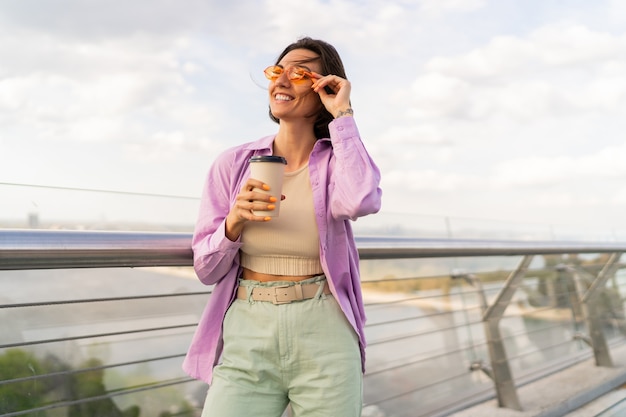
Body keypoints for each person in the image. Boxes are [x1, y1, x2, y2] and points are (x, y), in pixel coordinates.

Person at [183, 37, 382, 417]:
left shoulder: (336, 162)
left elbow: (361, 200)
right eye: (277, 71)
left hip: (324, 327)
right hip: (248, 327)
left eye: (300, 72)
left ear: (326, 86)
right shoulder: (234, 164)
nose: (282, 81)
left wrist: (343, 115)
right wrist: (234, 221)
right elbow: (206, 270)